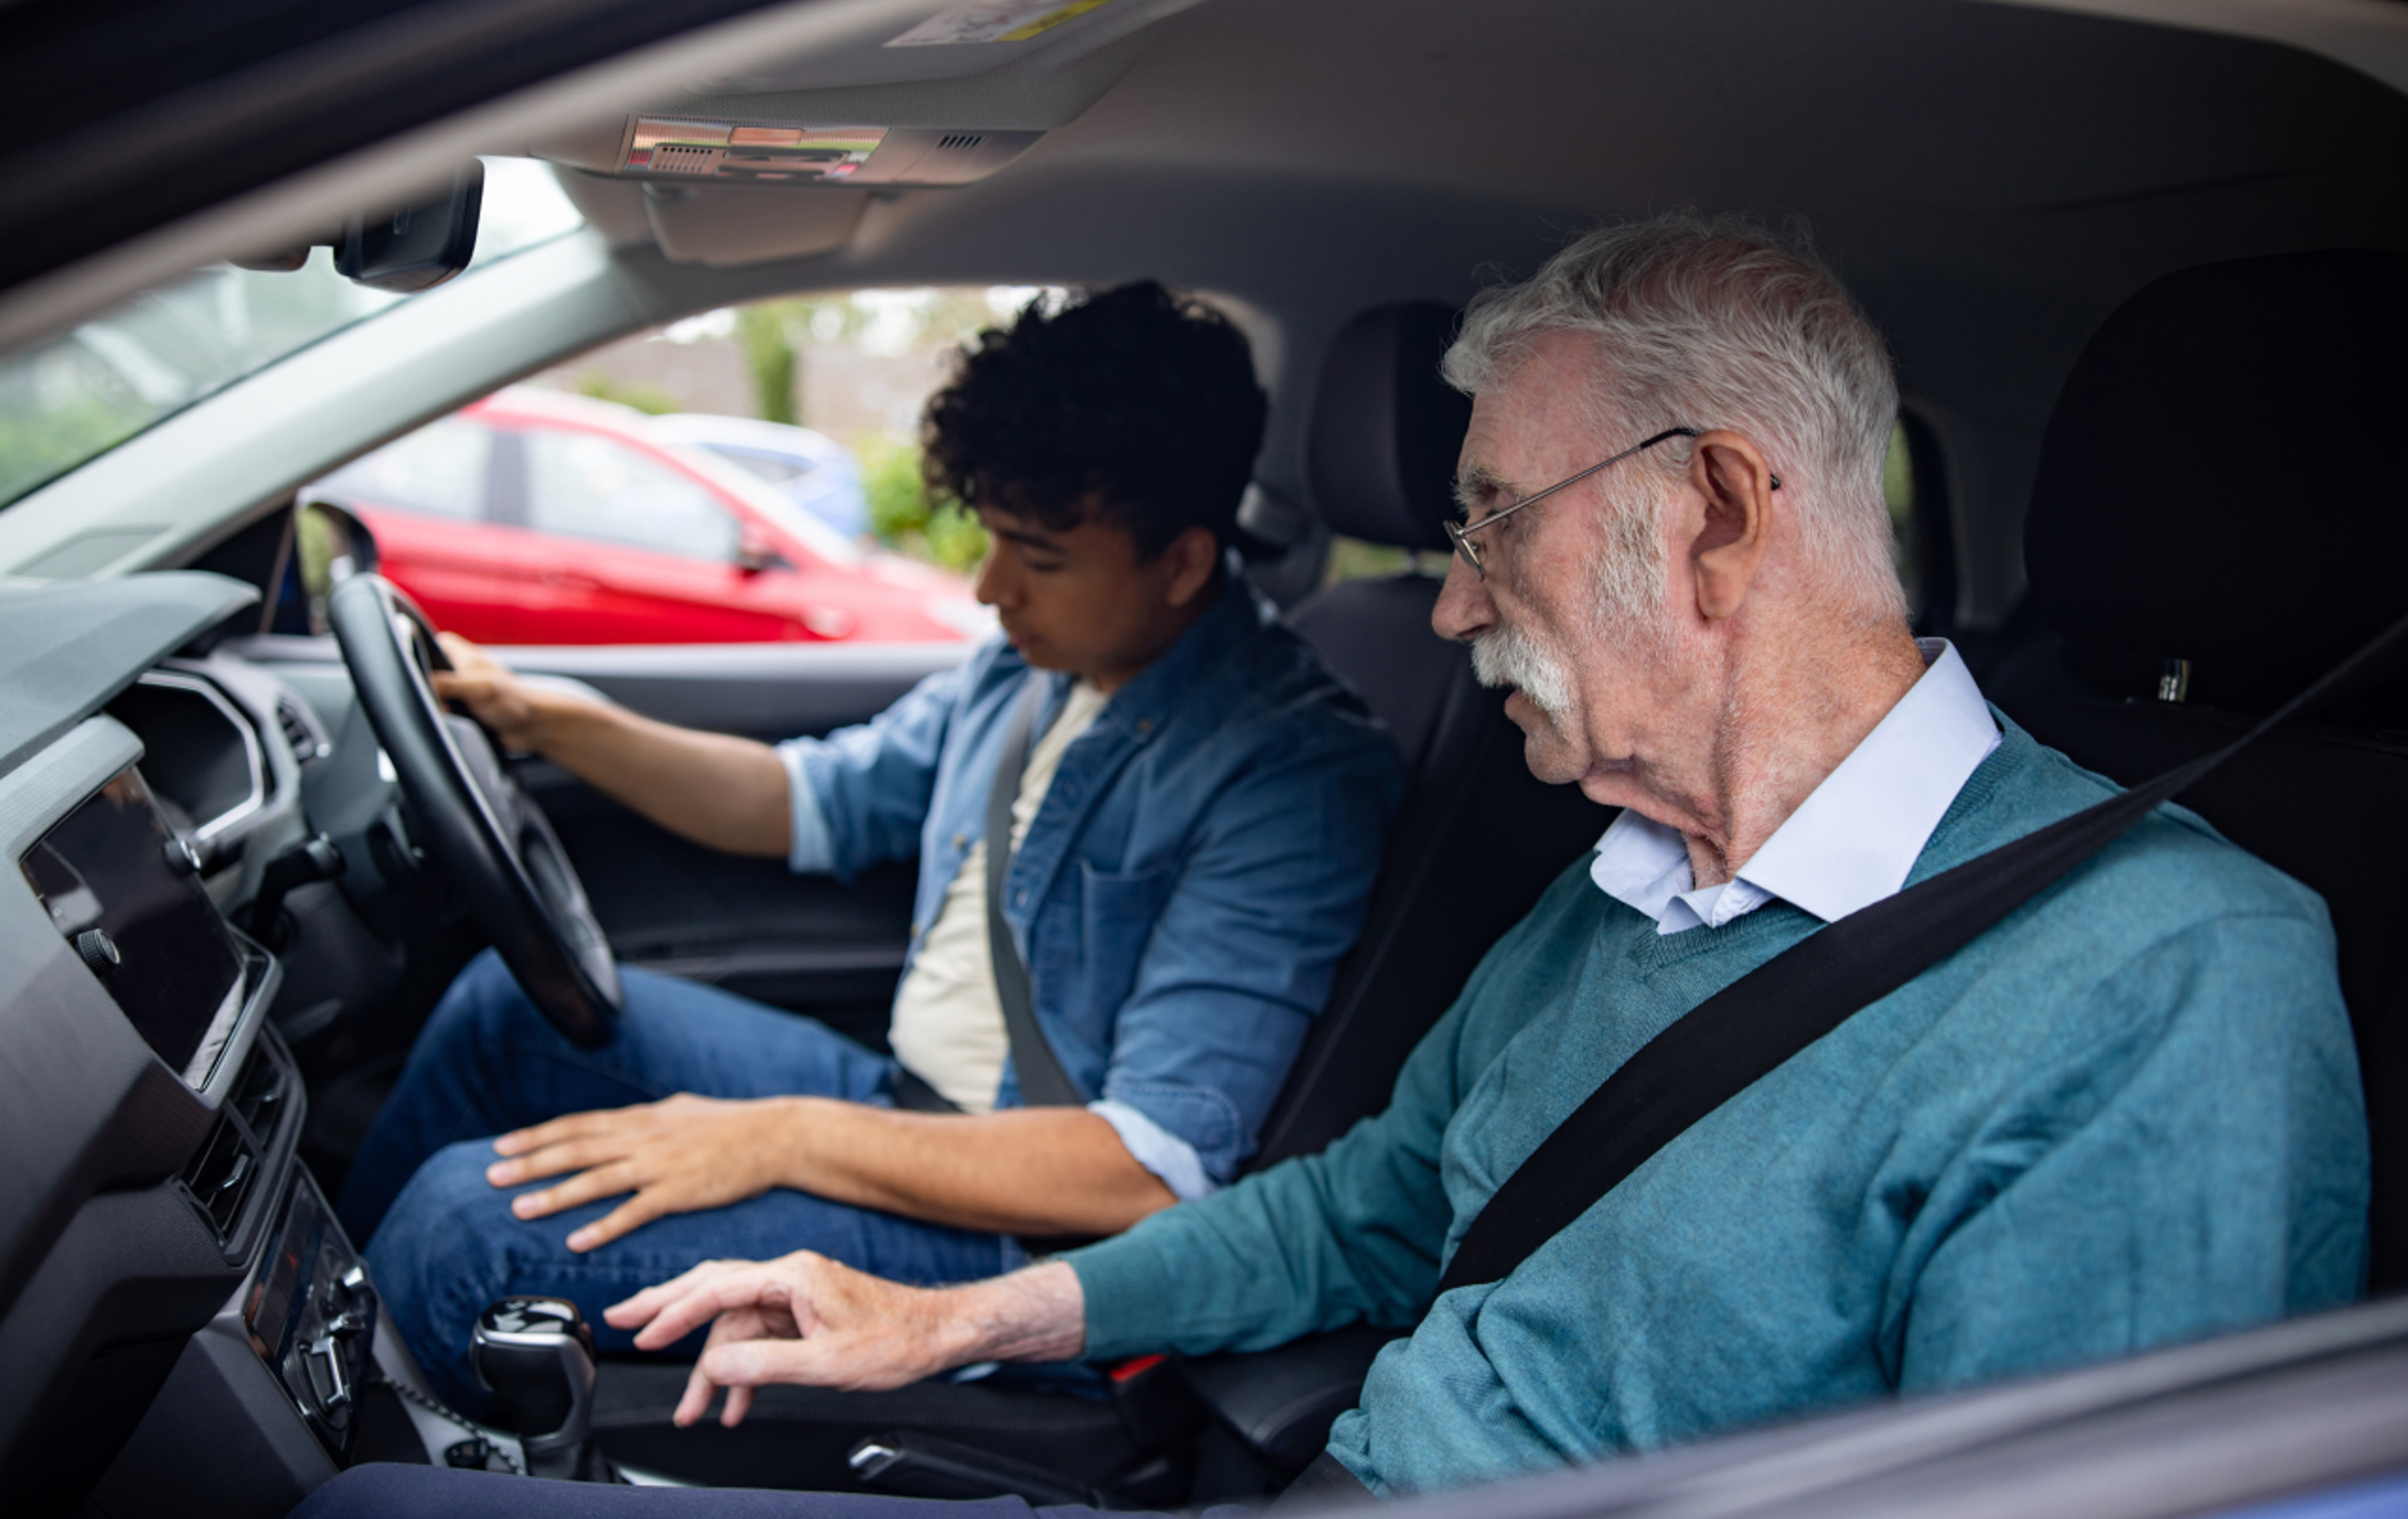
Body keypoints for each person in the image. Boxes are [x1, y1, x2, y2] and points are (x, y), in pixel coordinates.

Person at [302, 218, 2367, 1517]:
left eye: (1491, 525)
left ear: (1720, 515)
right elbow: (1357, 1212)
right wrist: (945, 1316)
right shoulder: (1629, 881)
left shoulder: (2166, 986)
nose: (1450, 607)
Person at [337, 281, 1407, 1405]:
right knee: (500, 1008)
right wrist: (554, 720)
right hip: (900, 1096)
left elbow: (1143, 1170)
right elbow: (809, 800)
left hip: (1022, 1237)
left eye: (1038, 556)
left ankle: (317, 1436)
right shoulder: (1029, 667)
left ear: (1183, 564)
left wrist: (784, 1137)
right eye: (991, 538)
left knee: (468, 1227)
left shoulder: (1290, 771)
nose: (990, 589)